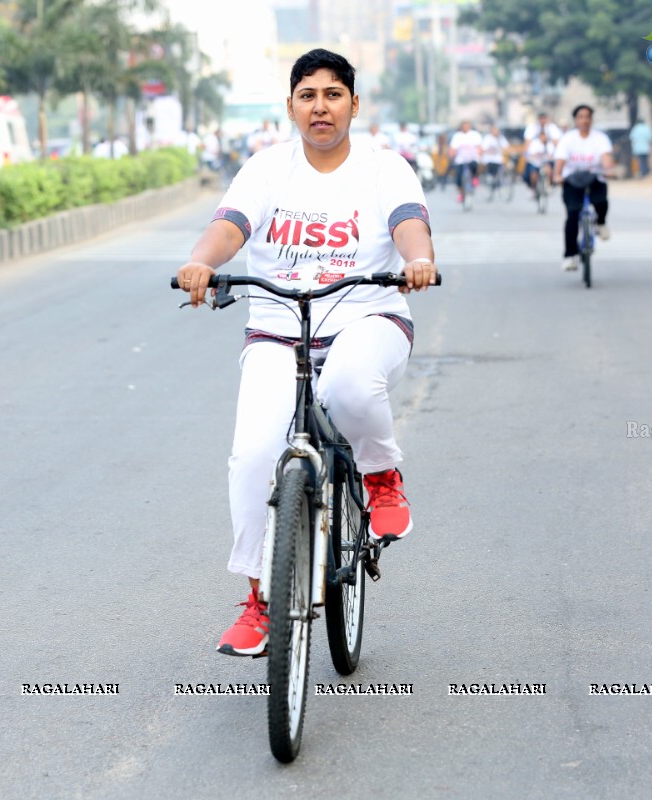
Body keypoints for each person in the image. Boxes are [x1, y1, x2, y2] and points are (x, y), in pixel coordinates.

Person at [174, 48, 437, 657]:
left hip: (367, 317)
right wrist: (200, 262)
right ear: (291, 106)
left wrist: (418, 259)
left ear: (353, 103)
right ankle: (262, 599)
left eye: (333, 94)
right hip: (279, 328)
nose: (321, 107)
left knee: (347, 386)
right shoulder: (267, 169)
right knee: (252, 456)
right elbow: (230, 226)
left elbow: (407, 223)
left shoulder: (384, 167)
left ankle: (380, 475)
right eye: (308, 96)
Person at [552, 104, 615, 271]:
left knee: (601, 201)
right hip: (572, 180)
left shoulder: (600, 138)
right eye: (581, 117)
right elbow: (560, 161)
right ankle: (570, 255)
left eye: (587, 116)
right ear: (576, 120)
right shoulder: (568, 139)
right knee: (572, 215)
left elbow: (606, 158)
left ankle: (600, 223)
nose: (584, 120)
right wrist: (557, 175)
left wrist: (609, 170)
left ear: (592, 119)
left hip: (595, 177)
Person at [448, 119, 483, 205]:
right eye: (464, 126)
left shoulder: (475, 135)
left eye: (467, 126)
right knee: (458, 180)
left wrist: (479, 152)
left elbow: (479, 147)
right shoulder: (457, 136)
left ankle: (475, 178)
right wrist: (451, 154)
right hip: (461, 160)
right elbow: (453, 148)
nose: (465, 128)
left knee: (475, 166)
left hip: (472, 159)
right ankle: (461, 194)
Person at [481, 124, 508, 189]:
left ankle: (501, 178)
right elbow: (483, 149)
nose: (496, 132)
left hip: (499, 159)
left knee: (505, 165)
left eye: (497, 131)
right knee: (492, 169)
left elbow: (506, 147)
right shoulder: (488, 138)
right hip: (489, 159)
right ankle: (491, 178)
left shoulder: (501, 138)